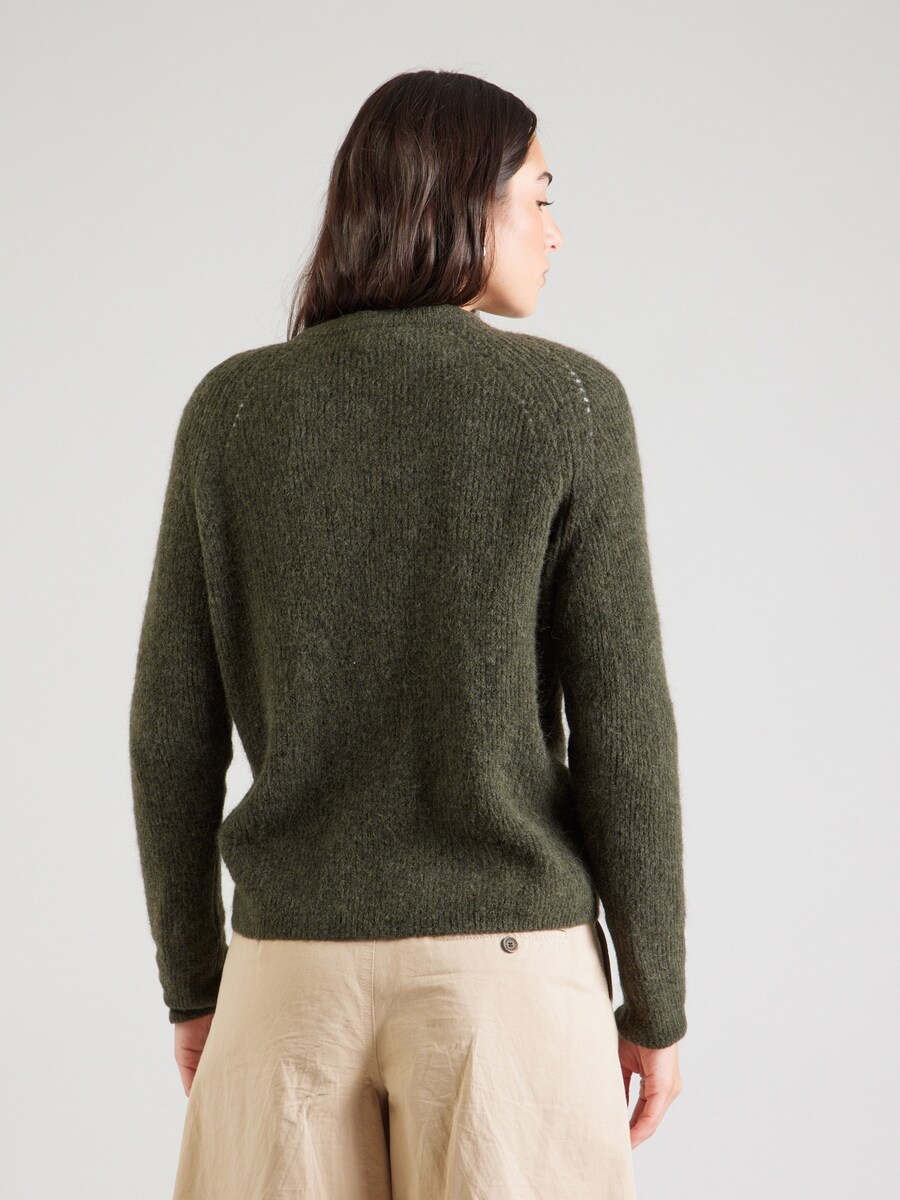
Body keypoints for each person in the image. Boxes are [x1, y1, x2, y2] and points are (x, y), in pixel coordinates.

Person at [129, 68, 687, 1200]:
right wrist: (657, 1000)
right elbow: (624, 731)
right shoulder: (570, 405)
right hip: (509, 985)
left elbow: (169, 732)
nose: (554, 231)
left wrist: (195, 981)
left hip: (285, 981)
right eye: (538, 197)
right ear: (463, 201)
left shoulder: (232, 409)